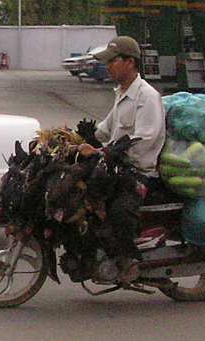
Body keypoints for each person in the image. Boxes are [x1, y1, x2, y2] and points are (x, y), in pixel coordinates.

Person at [77, 36, 166, 282]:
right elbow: (105, 131)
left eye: (112, 61)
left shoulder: (147, 96)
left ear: (129, 62)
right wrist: (74, 139)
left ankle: (128, 260)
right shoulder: (121, 93)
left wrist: (103, 153)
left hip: (138, 172)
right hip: (116, 167)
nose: (107, 66)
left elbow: (144, 141)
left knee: (118, 210)